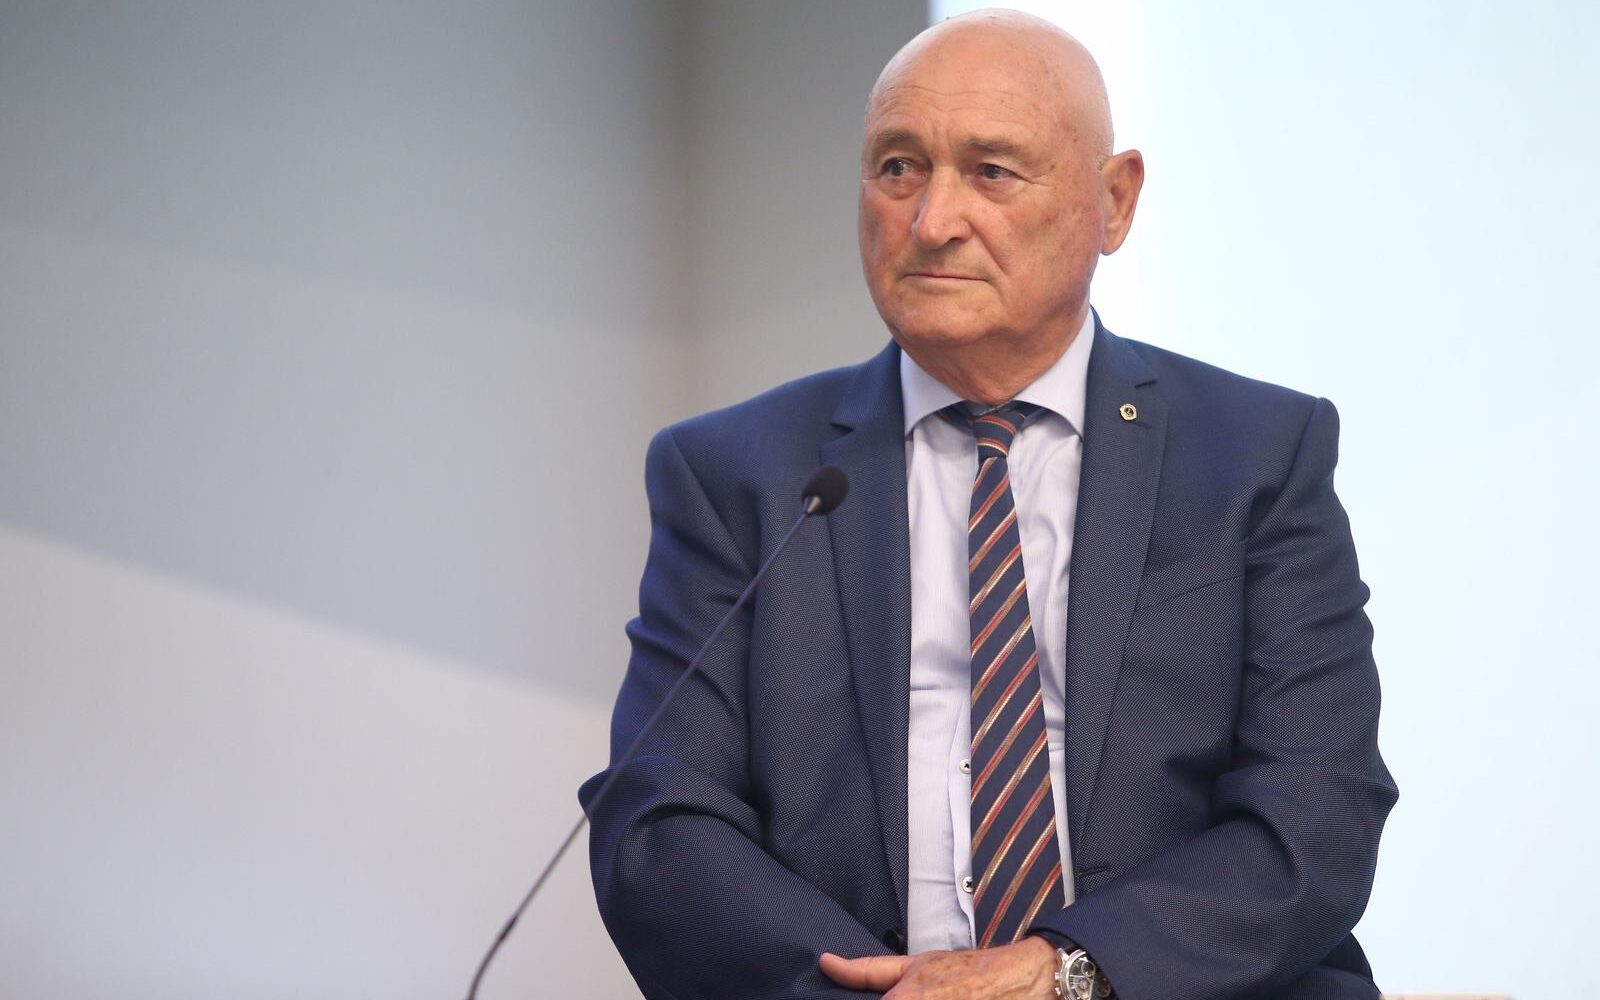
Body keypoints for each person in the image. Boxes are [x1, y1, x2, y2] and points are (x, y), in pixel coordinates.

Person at [582, 10, 1396, 1000]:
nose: (932, 222)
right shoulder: (736, 473)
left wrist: (1067, 972)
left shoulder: (1255, 454)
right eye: (898, 168)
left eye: (992, 172)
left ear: (1114, 201)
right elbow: (659, 822)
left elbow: (1318, 806)